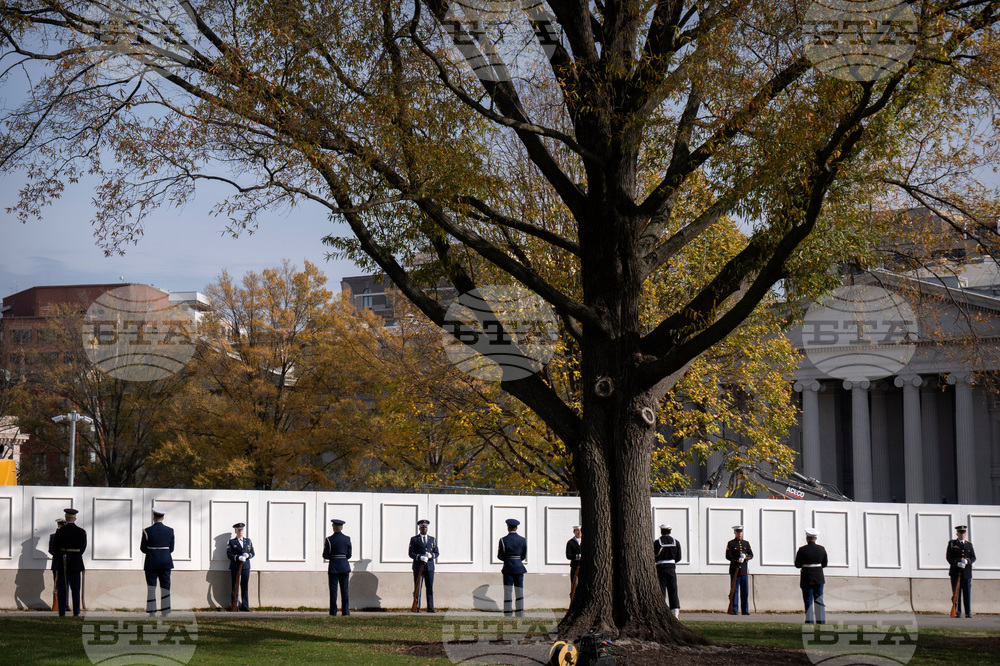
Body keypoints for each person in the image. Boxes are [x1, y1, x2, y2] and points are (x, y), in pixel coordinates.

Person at [52, 507, 87, 617]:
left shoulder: (60, 531)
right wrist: (75, 555)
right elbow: (82, 548)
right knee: (76, 588)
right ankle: (76, 612)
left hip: (63, 562)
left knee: (62, 588)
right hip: (76, 562)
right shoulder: (82, 532)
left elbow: (55, 548)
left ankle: (62, 612)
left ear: (66, 518)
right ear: (75, 518)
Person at [140, 509, 175, 615]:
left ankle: (152, 611)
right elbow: (171, 548)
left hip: (151, 562)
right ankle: (166, 611)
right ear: (163, 518)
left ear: (153, 517)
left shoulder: (147, 531)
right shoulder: (170, 530)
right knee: (165, 587)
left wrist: (152, 552)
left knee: (151, 587)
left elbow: (143, 548)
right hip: (165, 562)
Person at [794, 526, 828, 624]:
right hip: (819, 577)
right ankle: (821, 620)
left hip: (807, 578)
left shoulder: (802, 550)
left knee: (808, 599)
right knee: (819, 600)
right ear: (815, 538)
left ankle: (809, 620)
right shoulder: (821, 549)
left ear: (807, 538)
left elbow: (797, 565)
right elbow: (824, 564)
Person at [408, 519, 439, 612]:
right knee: (418, 587)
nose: (424, 529)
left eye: (425, 527)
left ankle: (430, 607)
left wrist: (431, 555)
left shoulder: (432, 539)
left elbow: (437, 552)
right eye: (422, 527)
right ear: (419, 528)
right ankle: (417, 607)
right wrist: (419, 557)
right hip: (418, 567)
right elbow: (410, 553)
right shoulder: (414, 539)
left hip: (429, 567)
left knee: (429, 587)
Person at [498, 518, 527, 617]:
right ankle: (519, 612)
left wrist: (508, 559)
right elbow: (523, 556)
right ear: (516, 528)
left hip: (508, 568)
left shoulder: (503, 540)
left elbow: (500, 556)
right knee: (519, 591)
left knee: (508, 591)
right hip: (519, 567)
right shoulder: (522, 540)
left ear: (508, 527)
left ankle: (508, 613)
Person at [323, 518, 352, 616]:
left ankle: (333, 612)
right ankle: (345, 612)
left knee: (333, 591)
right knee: (345, 590)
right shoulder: (347, 539)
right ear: (341, 527)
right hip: (344, 566)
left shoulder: (329, 540)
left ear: (333, 527)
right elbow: (349, 555)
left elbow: (325, 555)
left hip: (334, 567)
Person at [946, 525, 976, 618]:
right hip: (955, 572)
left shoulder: (969, 545)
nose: (962, 535)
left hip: (966, 573)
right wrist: (956, 563)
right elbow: (949, 557)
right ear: (957, 534)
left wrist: (967, 561)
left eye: (963, 533)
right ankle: (957, 611)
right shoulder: (952, 544)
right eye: (960, 533)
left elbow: (973, 557)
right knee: (956, 593)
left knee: (967, 593)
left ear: (965, 534)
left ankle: (968, 612)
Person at [654, 523, 682, 619]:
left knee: (661, 589)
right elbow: (678, 557)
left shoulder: (658, 542)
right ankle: (675, 611)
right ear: (670, 531)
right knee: (673, 589)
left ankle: (661, 611)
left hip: (661, 567)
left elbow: (654, 555)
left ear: (661, 531)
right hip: (671, 567)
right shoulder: (676, 542)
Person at [725, 524, 753, 615]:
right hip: (735, 570)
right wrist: (737, 559)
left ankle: (745, 610)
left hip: (744, 570)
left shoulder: (746, 543)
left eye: (741, 532)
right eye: (738, 532)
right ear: (735, 533)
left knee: (745, 591)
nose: (740, 534)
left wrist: (746, 557)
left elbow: (751, 554)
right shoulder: (731, 543)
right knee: (734, 590)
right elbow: (728, 556)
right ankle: (734, 609)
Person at [226, 522, 255, 612]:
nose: (240, 532)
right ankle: (235, 606)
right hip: (236, 567)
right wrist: (238, 557)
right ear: (235, 531)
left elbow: (253, 553)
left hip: (245, 567)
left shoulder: (248, 541)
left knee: (244, 586)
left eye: (242, 530)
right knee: (235, 587)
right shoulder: (231, 542)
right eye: (239, 530)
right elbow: (229, 554)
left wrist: (248, 556)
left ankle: (245, 606)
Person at [47, 518, 65, 612]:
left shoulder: (68, 536)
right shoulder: (53, 536)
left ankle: (65, 604)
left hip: (66, 563)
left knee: (67, 584)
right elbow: (51, 550)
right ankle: (58, 603)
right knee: (57, 584)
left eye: (63, 525)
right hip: (57, 562)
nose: (61, 527)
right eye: (60, 525)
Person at [565, 526, 582, 599]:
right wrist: (577, 556)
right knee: (574, 584)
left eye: (580, 530)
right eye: (577, 530)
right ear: (574, 532)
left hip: (583, 566)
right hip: (575, 566)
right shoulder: (571, 542)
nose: (579, 532)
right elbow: (568, 555)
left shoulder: (585, 541)